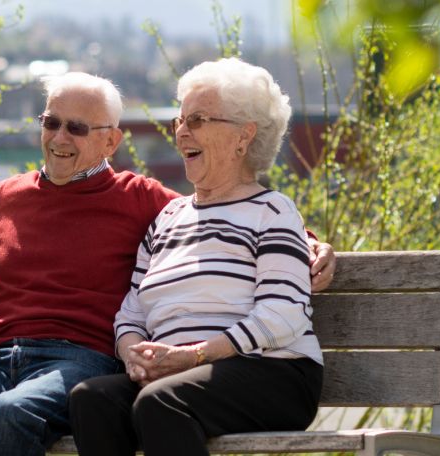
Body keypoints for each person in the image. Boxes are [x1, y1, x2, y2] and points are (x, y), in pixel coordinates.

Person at [0, 71, 336, 455]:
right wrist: (133, 351)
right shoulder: (10, 198)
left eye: (76, 128)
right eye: (51, 123)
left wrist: (310, 244)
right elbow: (134, 306)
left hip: (95, 358)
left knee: (14, 415)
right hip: (3, 355)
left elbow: (256, 226)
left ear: (111, 142)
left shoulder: (141, 199)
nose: (59, 138)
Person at [68, 58, 324, 456]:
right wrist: (134, 354)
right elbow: (131, 313)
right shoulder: (167, 219)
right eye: (180, 120)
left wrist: (194, 355)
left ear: (244, 136)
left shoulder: (272, 211)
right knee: (91, 399)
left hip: (273, 371)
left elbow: (283, 313)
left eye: (198, 120)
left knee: (161, 402)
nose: (182, 131)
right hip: (179, 375)